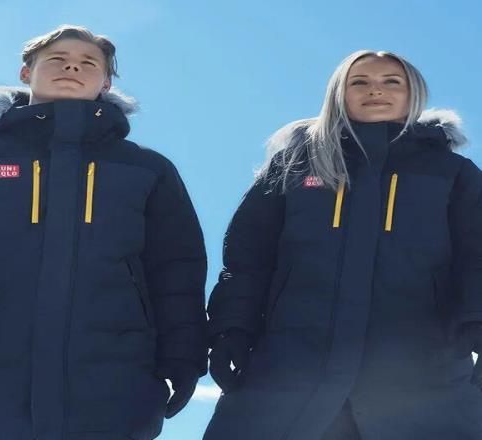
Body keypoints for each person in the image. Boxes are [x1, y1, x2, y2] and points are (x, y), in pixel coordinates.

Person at [204, 50, 482, 440]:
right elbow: (247, 260)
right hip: (290, 371)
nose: (375, 90)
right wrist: (232, 330)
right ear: (338, 94)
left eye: (391, 82)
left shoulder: (452, 174)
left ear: (413, 94)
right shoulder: (295, 166)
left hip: (422, 378)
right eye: (359, 82)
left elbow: (476, 258)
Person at [0, 25, 207, 440]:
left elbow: (176, 271)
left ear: (105, 83)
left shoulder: (146, 169)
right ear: (26, 72)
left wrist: (184, 357)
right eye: (57, 58)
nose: (72, 66)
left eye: (88, 62)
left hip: (113, 389)